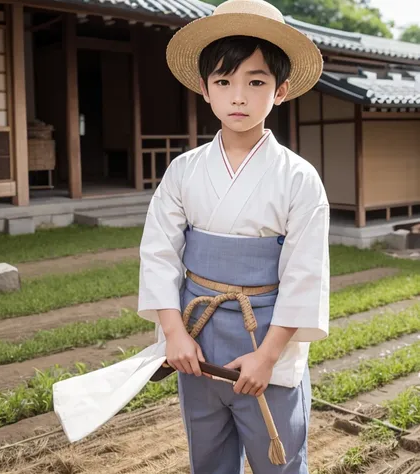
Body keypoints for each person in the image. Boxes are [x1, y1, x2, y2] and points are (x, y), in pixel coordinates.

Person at [137, 0, 330, 472]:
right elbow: (158, 253)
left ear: (281, 90)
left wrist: (267, 356)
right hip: (196, 336)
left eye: (256, 82)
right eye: (224, 82)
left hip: (266, 335)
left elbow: (305, 275)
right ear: (205, 89)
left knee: (277, 455)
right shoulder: (183, 171)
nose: (238, 97)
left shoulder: (299, 178)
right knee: (208, 454)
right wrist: (174, 334)